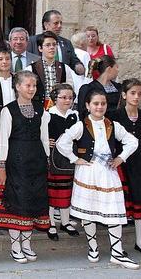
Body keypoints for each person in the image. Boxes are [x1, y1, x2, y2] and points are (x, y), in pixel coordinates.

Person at [56, 89, 140, 269]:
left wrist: (121, 158)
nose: (99, 107)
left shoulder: (113, 125)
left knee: (115, 211)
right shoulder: (81, 125)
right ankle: (93, 246)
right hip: (88, 171)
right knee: (89, 211)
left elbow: (133, 141)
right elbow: (62, 142)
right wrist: (74, 159)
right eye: (95, 103)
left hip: (108, 171)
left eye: (103, 103)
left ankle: (117, 253)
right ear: (87, 106)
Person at [0, 71, 50, 263]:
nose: (31, 89)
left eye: (34, 85)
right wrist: (2, 166)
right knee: (17, 203)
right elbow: (2, 141)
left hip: (37, 162)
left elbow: (43, 136)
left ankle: (27, 244)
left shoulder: (41, 109)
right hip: (16, 163)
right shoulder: (8, 110)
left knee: (33, 201)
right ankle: (15, 246)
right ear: (17, 86)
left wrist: (46, 160)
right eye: (27, 85)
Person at [108, 79, 141, 256]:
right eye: (133, 93)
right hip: (121, 162)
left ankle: (140, 241)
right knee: (121, 204)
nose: (137, 97)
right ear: (124, 95)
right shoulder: (114, 116)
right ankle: (118, 244)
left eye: (139, 93)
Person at [44, 84, 80, 241]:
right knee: (53, 191)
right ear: (54, 98)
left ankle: (65, 222)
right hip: (52, 159)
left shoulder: (75, 116)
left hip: (70, 158)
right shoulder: (48, 115)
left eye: (70, 98)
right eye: (63, 97)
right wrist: (46, 142)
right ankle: (50, 223)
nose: (67, 100)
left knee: (67, 191)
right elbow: (41, 135)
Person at [25, 31, 74, 109]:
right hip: (38, 110)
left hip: (59, 111)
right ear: (40, 48)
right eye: (48, 45)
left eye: (54, 45)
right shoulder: (30, 69)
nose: (52, 47)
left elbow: (70, 90)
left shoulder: (65, 68)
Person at [28, 10, 85, 75]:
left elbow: (74, 61)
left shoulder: (66, 43)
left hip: (61, 80)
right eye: (56, 23)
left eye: (61, 23)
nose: (59, 26)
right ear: (46, 25)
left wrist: (79, 67)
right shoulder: (32, 41)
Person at [70, 32, 93, 98]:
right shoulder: (84, 54)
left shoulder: (71, 53)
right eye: (86, 40)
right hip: (81, 85)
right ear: (82, 43)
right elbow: (89, 72)